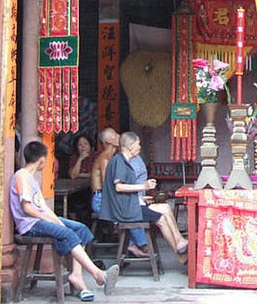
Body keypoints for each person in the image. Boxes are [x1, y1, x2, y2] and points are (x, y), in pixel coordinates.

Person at [10, 141, 119, 300]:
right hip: (30, 224)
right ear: (41, 160)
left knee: (80, 229)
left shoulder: (32, 179)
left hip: (40, 220)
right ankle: (98, 274)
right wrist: (50, 221)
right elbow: (27, 209)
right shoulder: (22, 176)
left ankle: (76, 275)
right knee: (68, 234)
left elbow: (43, 207)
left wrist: (56, 220)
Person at [99, 131, 188, 264]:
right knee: (161, 219)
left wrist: (140, 199)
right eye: (138, 144)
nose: (140, 147)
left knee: (165, 208)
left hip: (131, 205)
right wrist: (143, 186)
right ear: (130, 146)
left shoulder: (124, 161)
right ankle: (179, 254)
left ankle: (179, 240)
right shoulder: (119, 161)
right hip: (124, 211)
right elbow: (119, 187)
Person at [91, 127, 148, 257]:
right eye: (115, 136)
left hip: (108, 197)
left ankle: (133, 244)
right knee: (131, 211)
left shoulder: (115, 158)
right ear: (108, 141)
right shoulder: (105, 159)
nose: (119, 137)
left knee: (132, 207)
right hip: (102, 200)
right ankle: (141, 244)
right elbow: (109, 186)